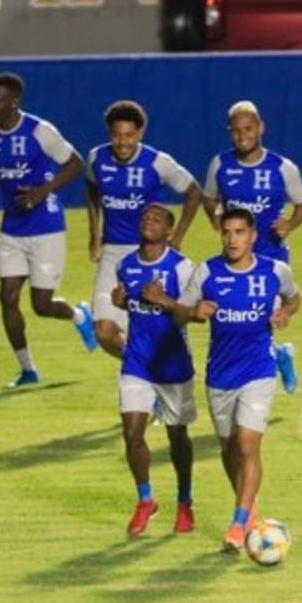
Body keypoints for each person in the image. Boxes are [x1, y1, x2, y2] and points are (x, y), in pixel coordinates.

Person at [144, 208, 301, 552]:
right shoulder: (207, 272)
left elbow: (294, 298)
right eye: (227, 232)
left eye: (240, 232)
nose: (232, 239)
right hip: (220, 375)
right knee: (229, 449)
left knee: (247, 444)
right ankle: (251, 514)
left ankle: (238, 524)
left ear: (253, 236)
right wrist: (193, 312)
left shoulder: (275, 271)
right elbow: (180, 316)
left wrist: (285, 313)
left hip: (259, 370)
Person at [0, 73, 95, 386]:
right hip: (12, 227)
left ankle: (80, 315)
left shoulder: (39, 130)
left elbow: (75, 164)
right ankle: (28, 370)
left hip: (46, 226)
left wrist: (43, 190)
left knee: (41, 305)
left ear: (15, 102)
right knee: (7, 297)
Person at [202, 100, 302, 394]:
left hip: (270, 256)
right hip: (234, 259)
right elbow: (208, 197)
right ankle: (276, 357)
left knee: (260, 320)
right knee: (239, 320)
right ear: (229, 132)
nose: (242, 136)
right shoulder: (220, 165)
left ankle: (260, 380)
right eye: (236, 130)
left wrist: (289, 225)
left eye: (248, 128)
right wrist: (216, 217)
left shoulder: (283, 168)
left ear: (261, 128)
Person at [86, 100, 201, 359]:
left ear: (140, 133)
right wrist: (94, 233)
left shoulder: (158, 162)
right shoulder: (96, 158)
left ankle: (152, 373)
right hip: (113, 254)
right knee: (104, 331)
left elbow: (193, 192)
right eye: (116, 135)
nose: (122, 142)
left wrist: (177, 237)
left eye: (129, 135)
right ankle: (142, 368)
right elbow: (91, 186)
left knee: (159, 331)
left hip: (151, 256)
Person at [108, 205, 196, 536]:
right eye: (145, 217)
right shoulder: (124, 265)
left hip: (173, 362)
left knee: (178, 437)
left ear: (169, 231)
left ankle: (185, 500)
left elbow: (191, 314)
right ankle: (145, 499)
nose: (148, 221)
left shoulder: (182, 267)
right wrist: (121, 302)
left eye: (157, 219)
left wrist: (165, 301)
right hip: (137, 362)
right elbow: (132, 305)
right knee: (132, 432)